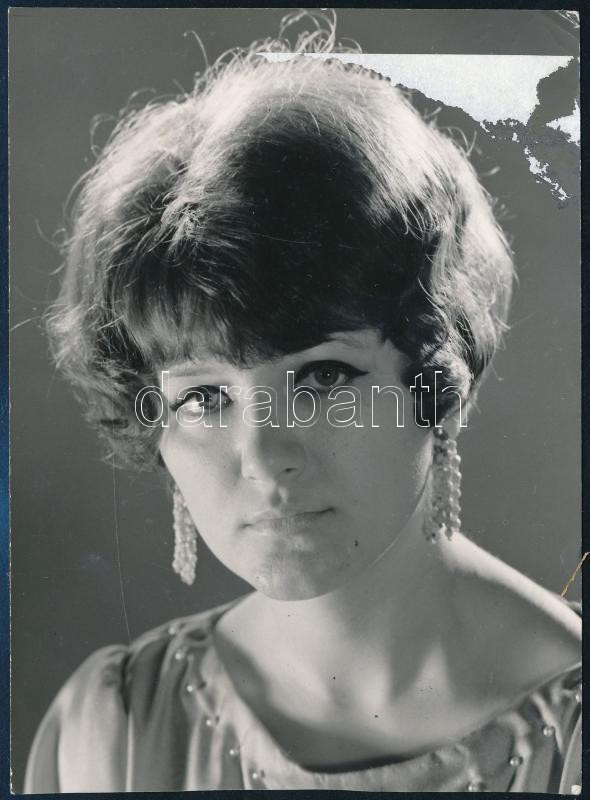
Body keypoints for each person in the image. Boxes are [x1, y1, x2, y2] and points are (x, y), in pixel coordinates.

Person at [24, 17, 581, 794]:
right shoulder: (112, 731)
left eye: (321, 377)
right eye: (205, 396)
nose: (263, 457)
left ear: (435, 386)